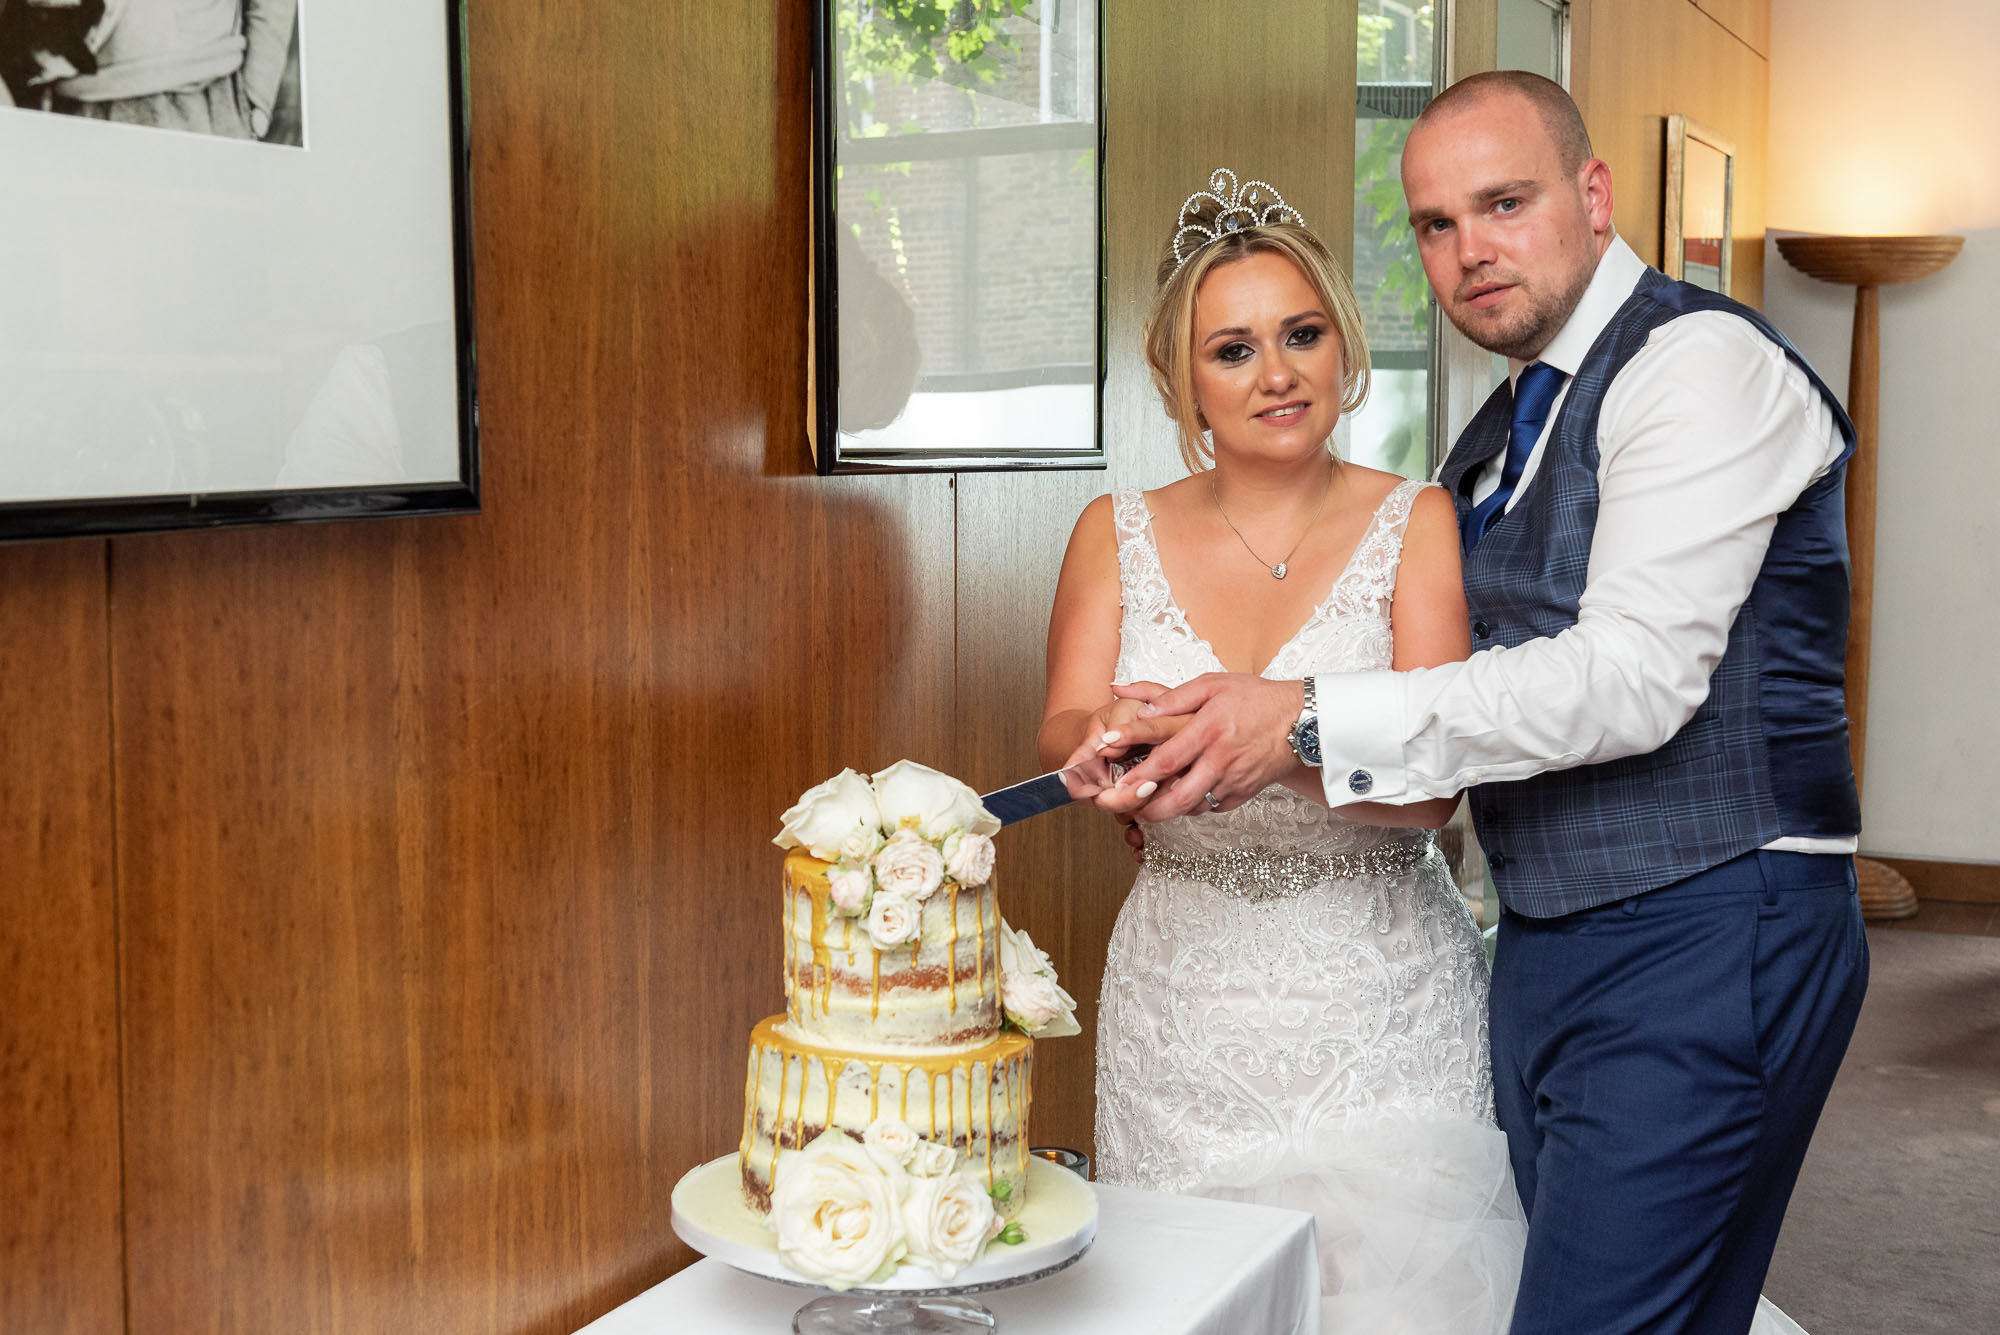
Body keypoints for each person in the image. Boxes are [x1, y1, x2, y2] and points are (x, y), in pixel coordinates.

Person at [1091, 75, 1865, 1335]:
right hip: (1539, 942)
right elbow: (1467, 700)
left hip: (1709, 922)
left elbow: (1629, 678)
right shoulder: (1495, 440)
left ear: (1593, 196)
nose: (1470, 251)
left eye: (1504, 203)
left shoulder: (1696, 364)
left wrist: (1295, 721)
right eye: (1435, 225)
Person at [1039, 168, 1529, 1332]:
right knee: (1186, 1295)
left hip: (1379, 1000)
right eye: (1232, 349)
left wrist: (1279, 747)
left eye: (1300, 334)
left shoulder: (1416, 522)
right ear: (1182, 382)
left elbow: (1434, 788)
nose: (1275, 373)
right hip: (1182, 998)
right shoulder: (1113, 532)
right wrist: (1108, 745)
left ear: (1342, 346)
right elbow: (1062, 722)